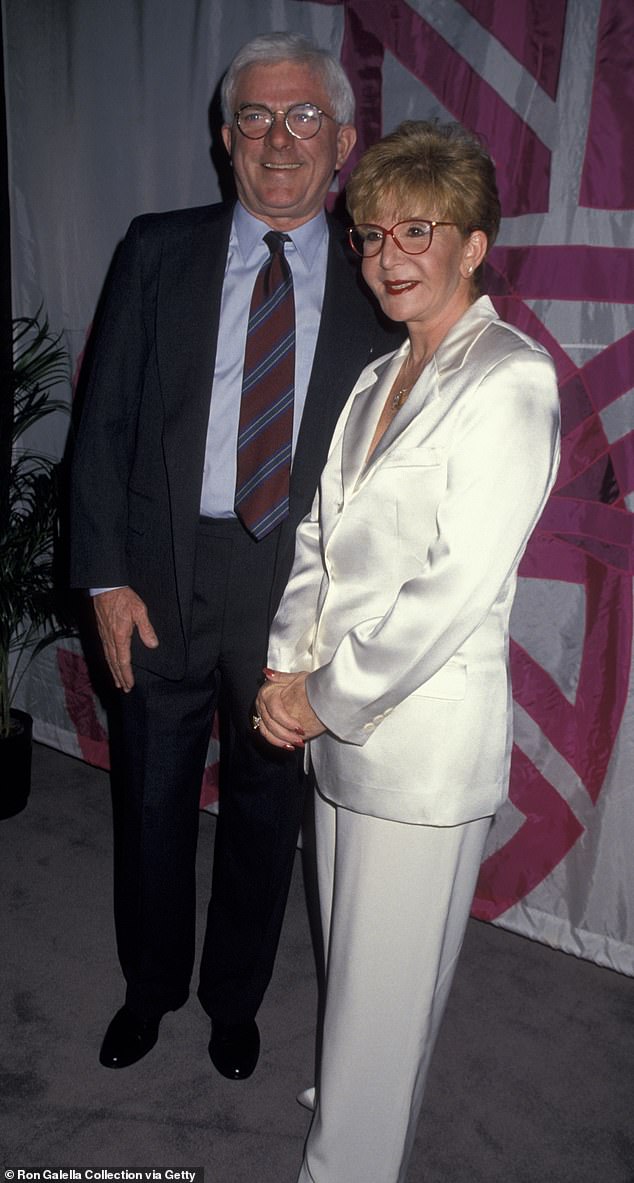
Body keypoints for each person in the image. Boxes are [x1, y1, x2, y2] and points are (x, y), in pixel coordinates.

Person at [69, 32, 400, 1079]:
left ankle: (232, 999)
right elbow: (102, 426)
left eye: (304, 117)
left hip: (290, 591)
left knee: (266, 810)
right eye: (254, 117)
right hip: (160, 576)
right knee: (151, 799)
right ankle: (153, 985)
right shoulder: (154, 250)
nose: (279, 139)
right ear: (225, 138)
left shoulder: (381, 295)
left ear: (342, 140)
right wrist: (105, 577)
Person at [255, 119, 560, 1182]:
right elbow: (319, 536)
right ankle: (358, 1085)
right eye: (370, 234)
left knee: (384, 984)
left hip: (416, 741)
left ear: (473, 245)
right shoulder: (379, 375)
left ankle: (347, 1156)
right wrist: (286, 671)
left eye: (415, 231)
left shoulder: (508, 380)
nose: (386, 256)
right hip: (337, 723)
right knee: (364, 971)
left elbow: (449, 591)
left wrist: (322, 697)